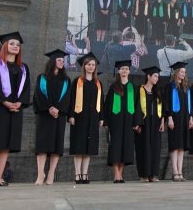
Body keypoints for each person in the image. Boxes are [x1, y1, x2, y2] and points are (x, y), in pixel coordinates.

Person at [0, 32, 30, 187]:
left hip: (15, 110)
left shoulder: (23, 68)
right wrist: (5, 102)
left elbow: (26, 89)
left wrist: (19, 103)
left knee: (6, 145)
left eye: (17, 44)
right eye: (12, 44)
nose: (15, 46)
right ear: (5, 46)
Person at [33, 49, 71, 185]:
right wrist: (49, 107)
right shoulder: (42, 78)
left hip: (58, 116)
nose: (62, 62)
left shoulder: (66, 80)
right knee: (43, 145)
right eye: (59, 60)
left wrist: (58, 109)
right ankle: (40, 174)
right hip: (45, 115)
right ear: (52, 61)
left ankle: (51, 174)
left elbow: (67, 98)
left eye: (63, 60)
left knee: (56, 145)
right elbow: (38, 95)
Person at [68, 52, 104, 184]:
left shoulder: (97, 83)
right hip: (79, 117)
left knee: (89, 148)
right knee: (79, 146)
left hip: (93, 118)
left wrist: (101, 117)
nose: (91, 67)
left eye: (93, 65)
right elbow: (71, 100)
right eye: (88, 64)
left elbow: (101, 102)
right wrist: (71, 115)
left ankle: (85, 174)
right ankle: (77, 174)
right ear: (84, 66)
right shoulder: (77, 82)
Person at [104, 60, 137, 183]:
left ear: (129, 71)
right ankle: (116, 174)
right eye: (122, 68)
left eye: (126, 69)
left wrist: (137, 122)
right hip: (115, 121)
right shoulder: (113, 87)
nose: (124, 71)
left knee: (125, 147)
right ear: (118, 71)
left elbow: (137, 106)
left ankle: (120, 173)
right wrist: (106, 121)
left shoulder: (133, 88)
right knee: (115, 147)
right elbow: (107, 105)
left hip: (129, 122)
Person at [134, 66, 165, 182]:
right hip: (144, 123)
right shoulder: (139, 90)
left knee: (155, 149)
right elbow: (136, 107)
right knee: (144, 148)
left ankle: (153, 174)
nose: (157, 78)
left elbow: (163, 109)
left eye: (158, 76)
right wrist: (137, 123)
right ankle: (144, 175)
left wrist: (162, 122)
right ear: (148, 76)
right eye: (155, 76)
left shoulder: (158, 92)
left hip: (156, 123)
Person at [165, 61, 191, 181]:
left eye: (184, 72)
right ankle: (175, 172)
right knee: (175, 146)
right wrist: (169, 118)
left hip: (184, 119)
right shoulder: (170, 86)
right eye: (181, 71)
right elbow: (167, 104)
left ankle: (180, 172)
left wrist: (190, 119)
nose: (183, 74)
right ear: (176, 72)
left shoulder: (186, 87)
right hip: (174, 119)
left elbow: (189, 105)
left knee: (181, 147)